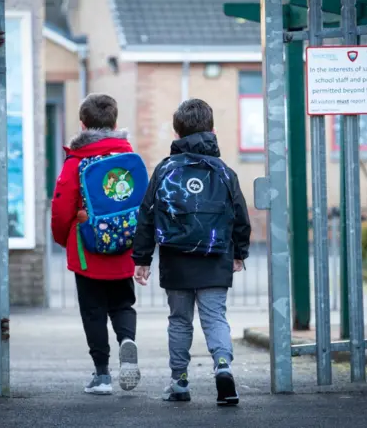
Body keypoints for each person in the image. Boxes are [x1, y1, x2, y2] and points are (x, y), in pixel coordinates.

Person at [132, 98, 251, 406]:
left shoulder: (165, 169)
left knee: (180, 321)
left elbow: (146, 215)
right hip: (215, 257)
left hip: (176, 259)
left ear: (176, 134)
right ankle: (223, 368)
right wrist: (240, 252)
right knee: (214, 318)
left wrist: (142, 259)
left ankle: (180, 383)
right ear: (212, 130)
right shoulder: (224, 171)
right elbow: (239, 214)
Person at [51, 93, 147, 395]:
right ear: (115, 122)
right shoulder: (128, 157)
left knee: (92, 310)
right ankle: (127, 340)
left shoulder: (76, 160)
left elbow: (62, 205)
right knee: (123, 303)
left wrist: (63, 236)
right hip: (124, 245)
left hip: (87, 248)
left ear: (82, 124)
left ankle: (102, 375)